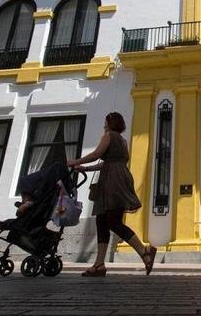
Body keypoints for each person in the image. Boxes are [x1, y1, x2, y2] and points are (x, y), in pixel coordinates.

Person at [66, 112, 156, 277]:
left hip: (111, 183)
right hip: (119, 178)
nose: (104, 124)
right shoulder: (122, 140)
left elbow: (96, 155)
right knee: (102, 221)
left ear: (110, 122)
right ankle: (99, 264)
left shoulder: (108, 136)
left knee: (113, 222)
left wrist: (75, 161)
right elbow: (108, 163)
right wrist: (85, 169)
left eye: (105, 121)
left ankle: (144, 251)